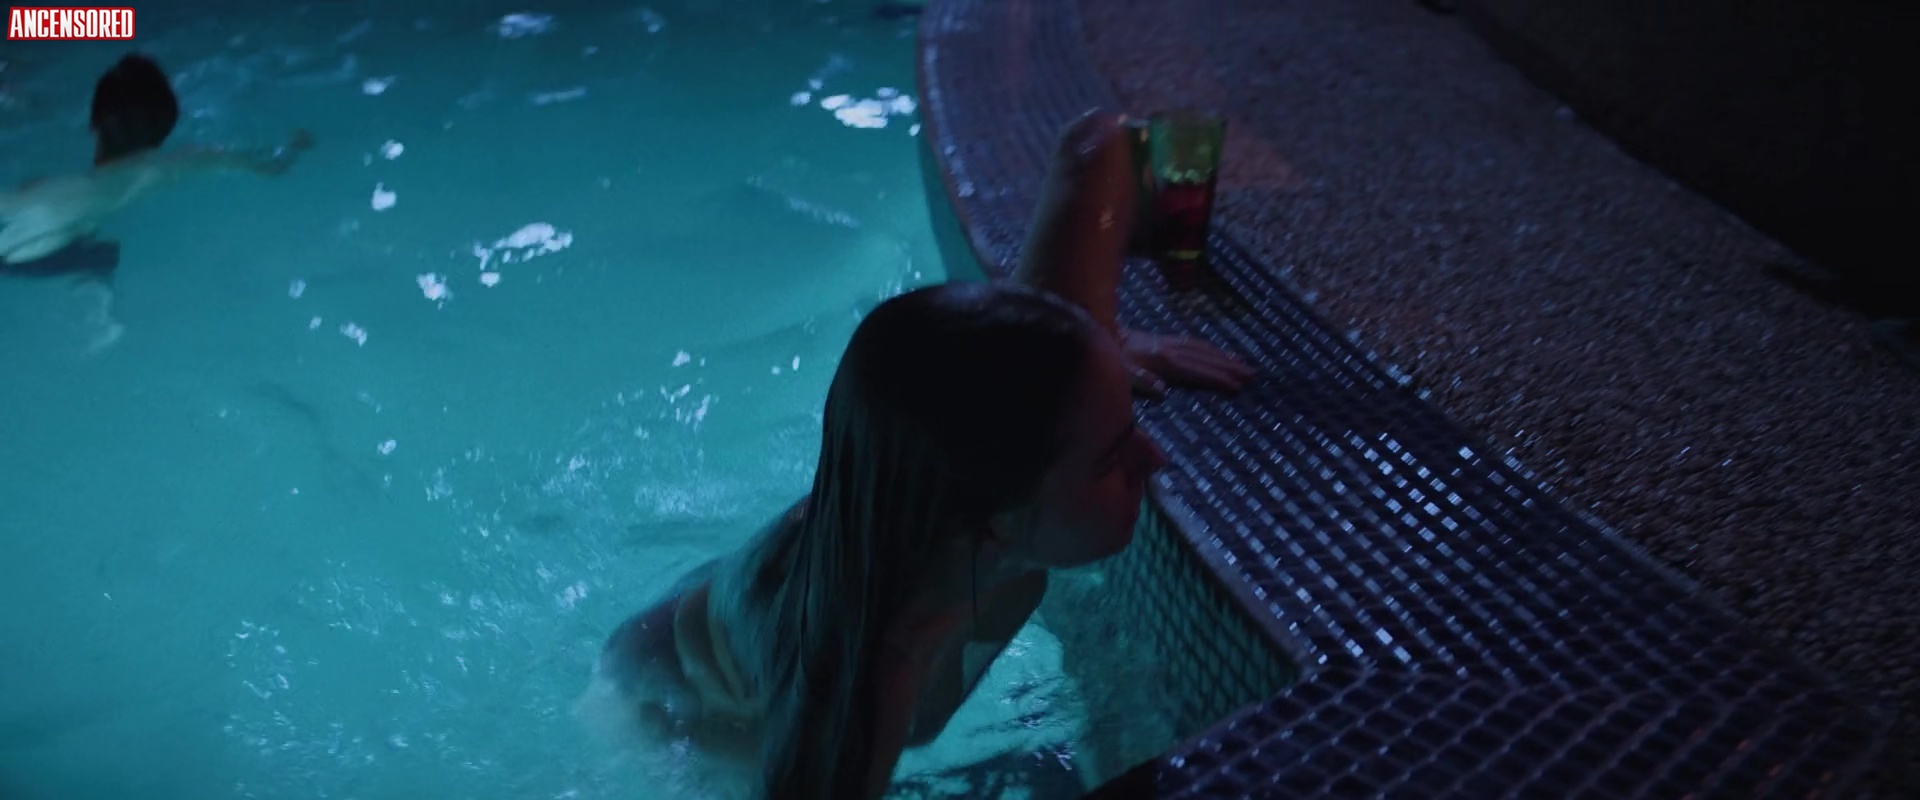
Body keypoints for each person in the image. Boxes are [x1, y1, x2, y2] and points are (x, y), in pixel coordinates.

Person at [585, 108, 1250, 799]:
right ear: (998, 521)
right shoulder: (865, 676)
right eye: (1111, 456)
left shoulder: (1021, 391)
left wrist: (1103, 337)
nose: (1155, 459)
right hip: (675, 703)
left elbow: (1099, 146)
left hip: (746, 602)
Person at [0, 52, 313, 268]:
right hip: (63, 250)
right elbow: (269, 166)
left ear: (94, 123)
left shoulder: (56, 191)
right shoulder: (172, 166)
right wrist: (294, 147)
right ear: (167, 125)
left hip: (23, 249)